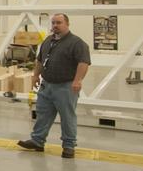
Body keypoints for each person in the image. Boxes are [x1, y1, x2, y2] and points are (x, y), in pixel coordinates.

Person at [18, 13, 91, 159]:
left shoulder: (77, 43)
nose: (55, 25)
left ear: (67, 24)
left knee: (67, 117)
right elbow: (40, 60)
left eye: (59, 22)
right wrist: (35, 76)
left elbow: (83, 62)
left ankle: (69, 146)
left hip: (65, 86)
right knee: (42, 114)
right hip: (47, 85)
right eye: (53, 23)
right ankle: (37, 141)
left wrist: (77, 80)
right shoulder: (47, 41)